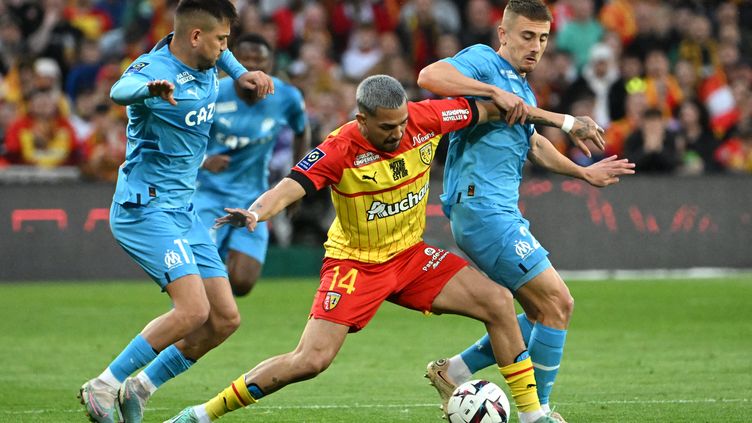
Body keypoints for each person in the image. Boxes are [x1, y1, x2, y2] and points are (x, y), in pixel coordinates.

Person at [163, 74, 606, 423]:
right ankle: (201, 414)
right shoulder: (339, 147)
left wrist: (561, 121)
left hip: (411, 258)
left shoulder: (427, 117)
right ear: (362, 120)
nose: (398, 134)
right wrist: (258, 213)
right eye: (387, 127)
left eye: (401, 123)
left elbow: (494, 109)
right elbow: (291, 185)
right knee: (311, 360)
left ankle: (531, 416)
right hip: (355, 265)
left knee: (498, 301)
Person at [416, 1, 636, 422]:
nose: (536, 47)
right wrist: (490, 91)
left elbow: (533, 144)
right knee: (558, 302)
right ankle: (538, 415)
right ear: (502, 34)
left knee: (540, 311)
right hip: (481, 210)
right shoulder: (483, 62)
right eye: (526, 36)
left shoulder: (525, 89)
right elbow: (429, 76)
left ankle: (454, 371)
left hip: (499, 212)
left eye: (543, 38)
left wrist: (582, 173)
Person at [77, 1, 274, 422]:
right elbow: (118, 91)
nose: (226, 48)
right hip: (143, 209)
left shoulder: (208, 60)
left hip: (183, 211)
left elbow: (226, 57)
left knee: (223, 318)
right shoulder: (154, 68)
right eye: (221, 40)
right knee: (192, 311)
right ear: (196, 37)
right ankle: (104, 384)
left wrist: (243, 74)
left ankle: (140, 387)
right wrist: (149, 90)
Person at [193, 33, 310, 297]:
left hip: (253, 198)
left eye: (260, 61)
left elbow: (302, 131)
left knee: (243, 283)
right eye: (245, 60)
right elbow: (181, 134)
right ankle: (193, 317)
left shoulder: (286, 97)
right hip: (207, 195)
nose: (253, 67)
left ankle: (211, 298)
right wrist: (203, 160)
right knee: (201, 282)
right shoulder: (211, 93)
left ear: (271, 66)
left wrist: (298, 181)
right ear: (232, 62)